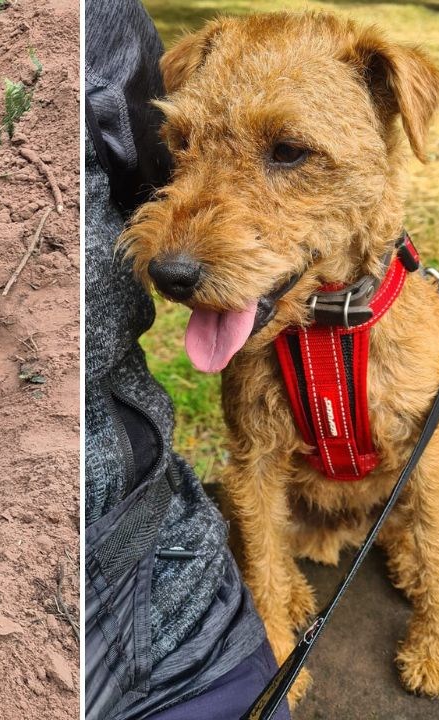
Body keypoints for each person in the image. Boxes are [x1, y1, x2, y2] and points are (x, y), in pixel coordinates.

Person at [83, 1, 291, 718]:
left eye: (287, 153)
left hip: (162, 605)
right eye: (187, 145)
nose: (178, 256)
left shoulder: (101, 28)